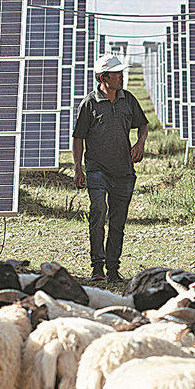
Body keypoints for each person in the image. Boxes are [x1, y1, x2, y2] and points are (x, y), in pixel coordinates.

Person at [72, 54, 149, 282]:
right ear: (104, 78)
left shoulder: (128, 99)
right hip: (97, 169)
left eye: (121, 73)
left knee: (118, 222)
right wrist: (78, 168)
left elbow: (143, 125)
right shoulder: (89, 103)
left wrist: (140, 143)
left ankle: (113, 269)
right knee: (98, 211)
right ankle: (97, 267)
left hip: (124, 171)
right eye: (117, 74)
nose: (122, 77)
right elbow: (78, 138)